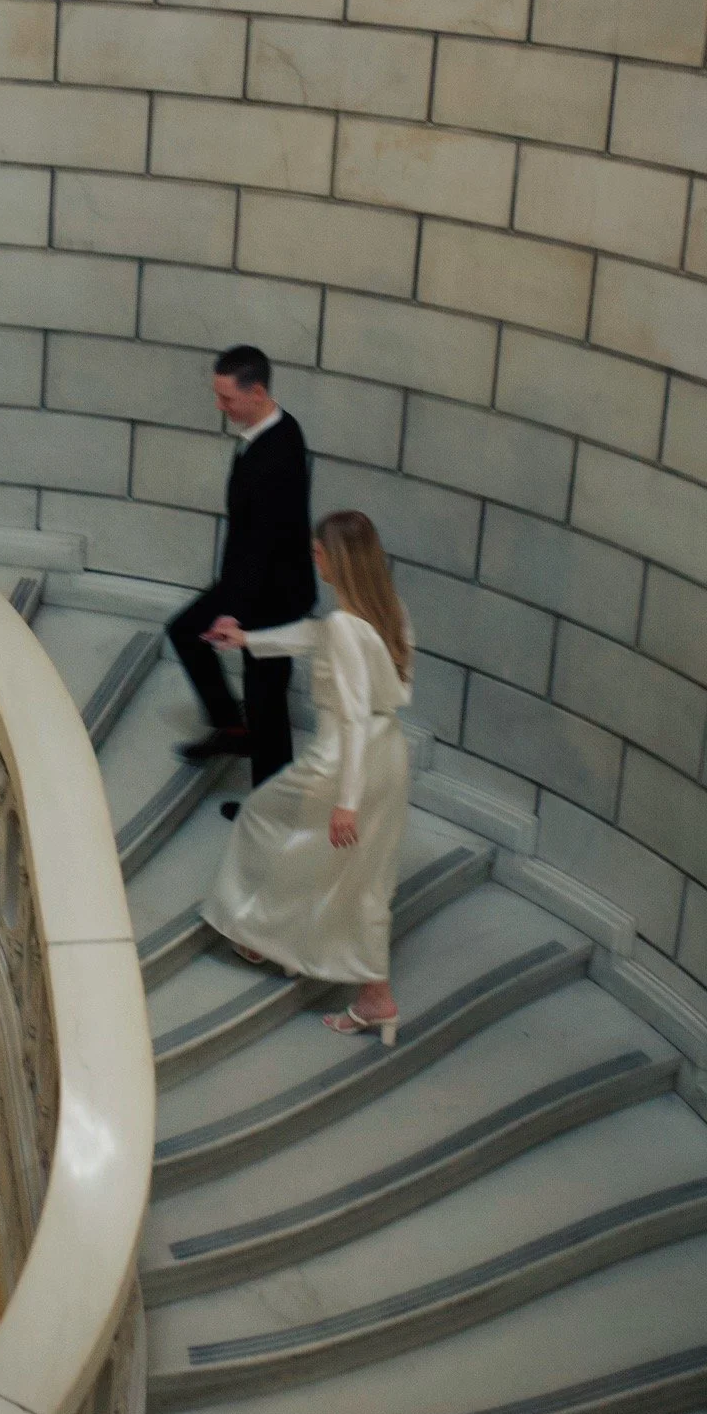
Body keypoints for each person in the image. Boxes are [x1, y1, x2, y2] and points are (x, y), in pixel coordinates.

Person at [199, 510, 413, 1044]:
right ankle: (373, 998)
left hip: (343, 759)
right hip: (389, 757)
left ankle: (263, 937)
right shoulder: (386, 614)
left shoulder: (346, 625)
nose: (313, 560)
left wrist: (346, 800)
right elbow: (312, 635)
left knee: (260, 822)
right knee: (364, 877)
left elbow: (355, 711)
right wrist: (246, 640)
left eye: (318, 552)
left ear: (337, 559)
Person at [167, 345, 314, 809]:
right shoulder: (269, 429)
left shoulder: (277, 457)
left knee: (267, 698)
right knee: (186, 631)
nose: (220, 406)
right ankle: (232, 727)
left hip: (276, 596)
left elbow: (263, 543)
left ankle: (269, 811)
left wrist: (236, 615)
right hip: (251, 580)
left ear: (258, 392)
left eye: (227, 398)